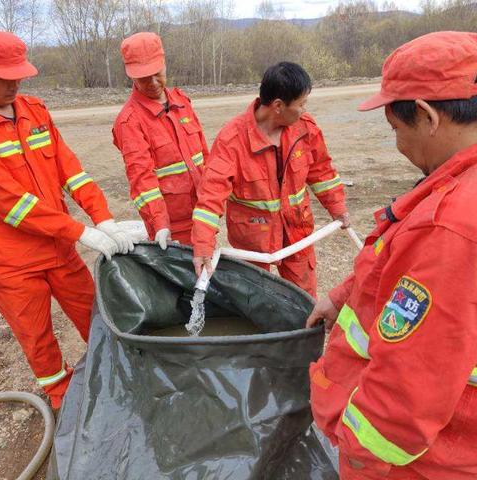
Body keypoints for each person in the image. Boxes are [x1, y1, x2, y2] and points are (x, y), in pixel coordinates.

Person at [306, 31, 477, 479]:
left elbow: (407, 392)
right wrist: (344, 294)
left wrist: (358, 461)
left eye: (396, 130)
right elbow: (404, 269)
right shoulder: (456, 190)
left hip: (423, 463)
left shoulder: (452, 226)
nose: (399, 147)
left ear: (426, 115)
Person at [0, 31, 135, 408]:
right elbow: (13, 205)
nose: (14, 84)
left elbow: (71, 170)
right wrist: (81, 231)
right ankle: (63, 402)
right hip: (13, 264)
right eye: (3, 77)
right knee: (38, 339)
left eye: (17, 75)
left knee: (96, 315)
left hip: (58, 249)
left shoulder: (35, 111)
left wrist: (102, 217)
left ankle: (121, 376)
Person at [191, 62, 349, 298]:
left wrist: (338, 208)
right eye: (301, 104)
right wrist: (203, 245)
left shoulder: (305, 130)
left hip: (297, 232)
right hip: (254, 241)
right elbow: (210, 197)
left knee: (303, 298)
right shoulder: (232, 140)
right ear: (278, 106)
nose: (304, 111)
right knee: (255, 300)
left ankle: (301, 335)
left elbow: (322, 173)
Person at [113, 32, 209, 249]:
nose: (153, 83)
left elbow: (205, 155)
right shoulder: (129, 121)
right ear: (131, 76)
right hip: (172, 226)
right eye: (144, 78)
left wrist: (212, 200)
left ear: (164, 64)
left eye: (157, 74)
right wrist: (160, 224)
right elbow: (141, 179)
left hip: (203, 214)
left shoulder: (182, 102)